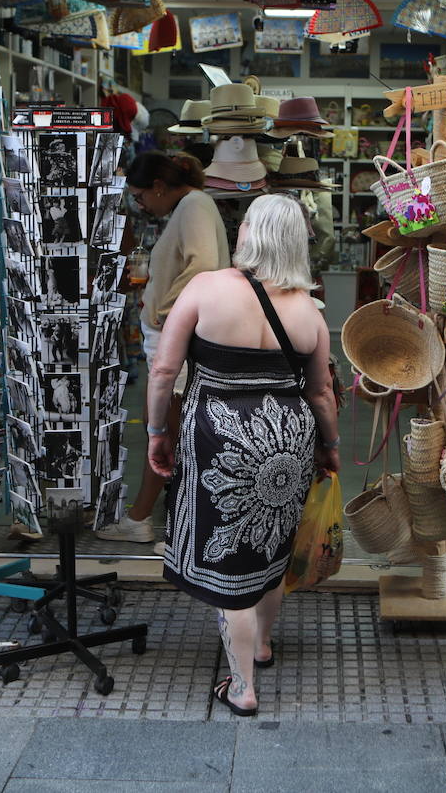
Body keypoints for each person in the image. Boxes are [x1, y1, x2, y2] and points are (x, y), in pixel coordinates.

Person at [144, 195, 340, 716]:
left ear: (249, 233)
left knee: (231, 563)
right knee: (270, 546)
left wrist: (156, 431)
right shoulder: (308, 309)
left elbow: (164, 371)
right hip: (288, 441)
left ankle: (242, 686)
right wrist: (331, 447)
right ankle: (262, 644)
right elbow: (321, 393)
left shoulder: (207, 289)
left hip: (218, 436)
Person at [95, 151, 229, 543]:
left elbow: (201, 265)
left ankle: (142, 519)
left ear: (158, 186)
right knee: (166, 429)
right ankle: (153, 518)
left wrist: (165, 309)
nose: (140, 205)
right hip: (175, 336)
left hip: (176, 339)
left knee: (166, 433)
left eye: (140, 196)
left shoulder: (193, 206)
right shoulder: (192, 206)